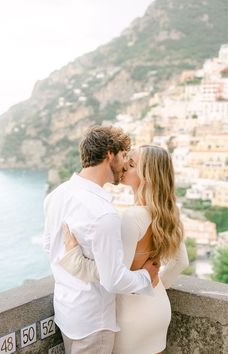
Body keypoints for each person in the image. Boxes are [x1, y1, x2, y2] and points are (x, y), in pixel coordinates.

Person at [59, 144, 189, 354]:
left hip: (131, 315)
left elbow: (115, 276)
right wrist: (156, 284)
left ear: (146, 175)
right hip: (158, 308)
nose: (126, 165)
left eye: (133, 163)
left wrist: (74, 259)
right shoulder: (169, 212)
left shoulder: (133, 217)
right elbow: (181, 262)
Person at [43, 126, 160, 354]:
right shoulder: (103, 213)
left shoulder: (56, 195)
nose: (126, 165)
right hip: (92, 322)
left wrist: (75, 261)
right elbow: (113, 279)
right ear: (109, 154)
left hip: (66, 311)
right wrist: (146, 277)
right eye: (124, 156)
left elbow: (50, 247)